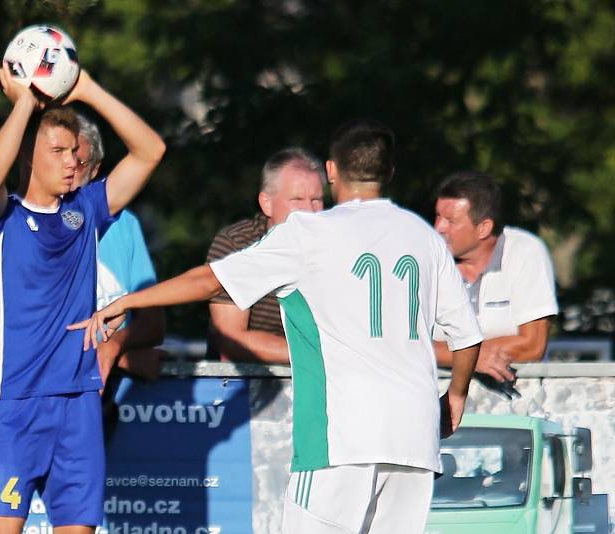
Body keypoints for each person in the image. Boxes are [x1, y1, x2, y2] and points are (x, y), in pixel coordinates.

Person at [72, 119, 482, 533]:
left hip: (341, 434)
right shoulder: (423, 237)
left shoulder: (310, 232)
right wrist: (457, 393)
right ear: (389, 173)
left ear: (331, 171)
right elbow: (466, 336)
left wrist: (129, 300)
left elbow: (211, 280)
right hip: (414, 434)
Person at [0, 64, 164, 534]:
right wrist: (23, 102)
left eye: (75, 153)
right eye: (57, 151)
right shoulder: (2, 219)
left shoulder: (86, 211)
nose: (71, 161)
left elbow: (150, 150)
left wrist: (89, 89)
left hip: (78, 401)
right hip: (16, 402)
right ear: (29, 159)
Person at [433, 171, 558, 386]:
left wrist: (456, 353)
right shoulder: (426, 257)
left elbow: (533, 345)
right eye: (437, 216)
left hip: (517, 404)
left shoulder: (525, 251)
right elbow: (409, 345)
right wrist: (474, 357)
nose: (438, 228)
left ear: (484, 228)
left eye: (450, 221)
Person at [206, 147, 325, 363]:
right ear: (266, 203)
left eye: (317, 200)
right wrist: (317, 356)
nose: (310, 210)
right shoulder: (237, 244)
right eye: (297, 199)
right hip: (244, 386)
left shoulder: (333, 245)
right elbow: (230, 339)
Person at [73, 114, 166, 385]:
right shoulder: (23, 220)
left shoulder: (124, 225)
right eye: (57, 155)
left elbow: (153, 323)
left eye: (79, 161)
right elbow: (10, 332)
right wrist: (118, 357)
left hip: (114, 393)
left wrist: (115, 345)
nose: (68, 166)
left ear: (95, 168)